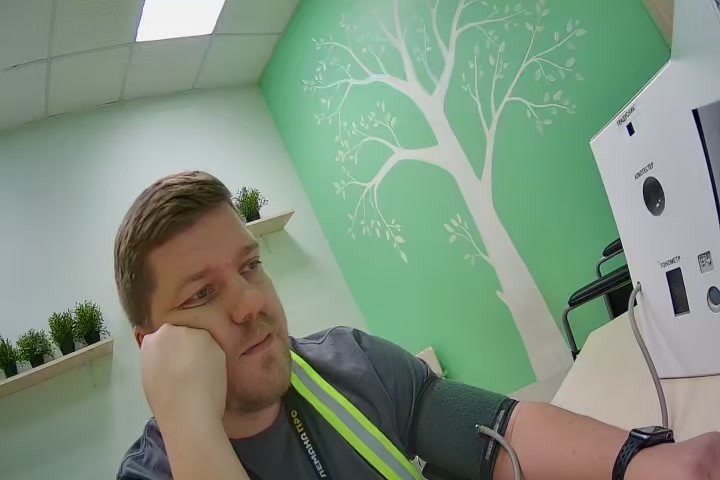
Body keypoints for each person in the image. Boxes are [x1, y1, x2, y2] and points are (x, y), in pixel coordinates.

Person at [115, 171, 720, 480]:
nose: (250, 303)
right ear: (153, 346)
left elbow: (496, 433)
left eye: (250, 266)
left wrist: (639, 464)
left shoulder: (348, 364)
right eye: (202, 294)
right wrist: (189, 422)